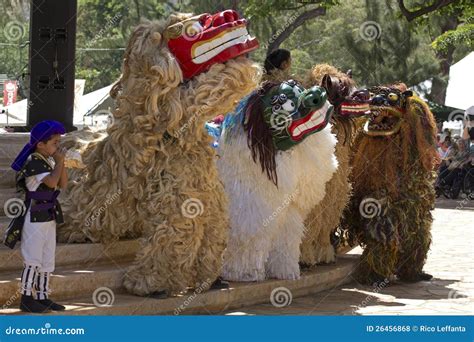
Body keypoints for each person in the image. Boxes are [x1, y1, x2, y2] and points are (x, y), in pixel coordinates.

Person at [5, 120, 68, 313]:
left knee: (47, 259)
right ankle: (26, 297)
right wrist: (59, 162)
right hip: (34, 216)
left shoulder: (48, 160)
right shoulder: (34, 160)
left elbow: (62, 183)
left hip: (47, 215)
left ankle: (42, 296)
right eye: (55, 142)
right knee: (33, 259)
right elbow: (50, 183)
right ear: (40, 144)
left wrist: (62, 163)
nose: (58, 146)